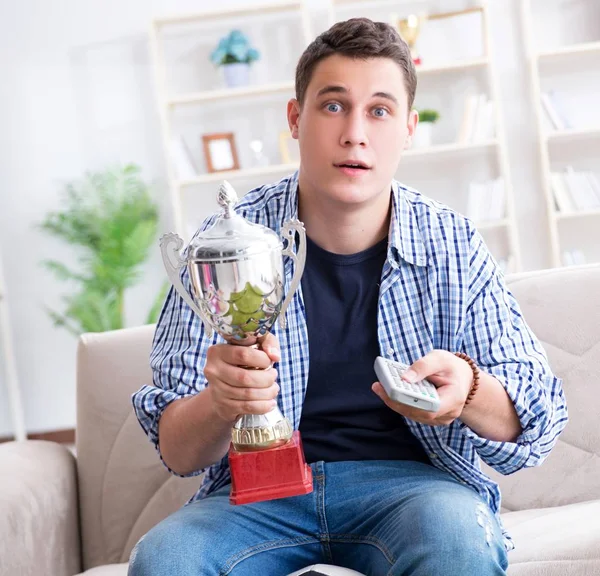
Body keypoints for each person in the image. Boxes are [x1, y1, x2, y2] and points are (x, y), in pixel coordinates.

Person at [129, 17, 567, 576]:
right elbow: (178, 452)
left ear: (408, 128)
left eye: (379, 111)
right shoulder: (222, 248)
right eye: (333, 106)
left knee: (458, 545)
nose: (355, 132)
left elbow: (538, 419)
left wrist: (469, 391)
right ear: (296, 117)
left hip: (414, 491)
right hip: (255, 499)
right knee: (164, 561)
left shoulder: (453, 242)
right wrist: (220, 403)